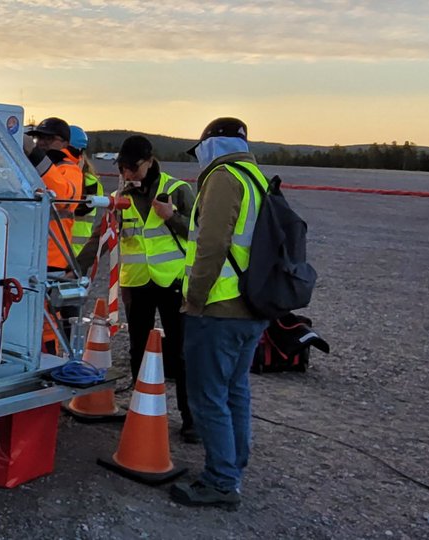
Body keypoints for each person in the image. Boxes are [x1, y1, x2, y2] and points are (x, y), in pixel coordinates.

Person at [170, 117, 271, 510]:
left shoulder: (223, 178)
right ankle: (232, 465)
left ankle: (221, 482)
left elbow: (211, 244)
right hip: (251, 307)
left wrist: (194, 298)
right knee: (235, 390)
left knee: (208, 396)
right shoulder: (256, 178)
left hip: (219, 309)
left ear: (212, 146)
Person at [103, 135, 198, 443]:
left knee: (181, 352)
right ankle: (139, 410)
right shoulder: (118, 197)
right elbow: (102, 237)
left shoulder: (177, 189)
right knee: (138, 349)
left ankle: (191, 419)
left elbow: (200, 233)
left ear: (149, 161)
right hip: (137, 284)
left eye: (133, 167)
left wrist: (172, 217)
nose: (127, 173)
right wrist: (75, 266)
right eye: (122, 167)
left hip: (172, 282)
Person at [24, 117, 83, 354]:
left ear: (64, 142)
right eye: (39, 138)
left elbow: (62, 197)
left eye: (49, 138)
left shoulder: (69, 170)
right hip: (28, 255)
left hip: (52, 259)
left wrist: (36, 155)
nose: (42, 142)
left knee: (47, 323)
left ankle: (48, 363)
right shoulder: (32, 168)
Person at [66, 125, 105, 266]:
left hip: (75, 256)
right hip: (57, 253)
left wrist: (75, 174)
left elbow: (78, 208)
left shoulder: (90, 183)